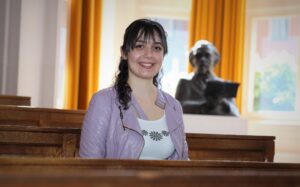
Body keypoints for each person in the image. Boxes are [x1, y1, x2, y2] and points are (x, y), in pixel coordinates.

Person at [79, 18, 189, 160]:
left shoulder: (174, 106)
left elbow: (184, 164)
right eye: (139, 46)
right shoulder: (103, 101)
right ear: (124, 53)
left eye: (156, 48)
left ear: (163, 55)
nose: (149, 55)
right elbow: (88, 167)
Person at [175, 40, 240, 116]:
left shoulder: (223, 85)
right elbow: (176, 108)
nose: (202, 59)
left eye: (207, 55)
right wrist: (204, 106)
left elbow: (236, 114)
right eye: (198, 55)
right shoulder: (185, 82)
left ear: (215, 59)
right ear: (192, 60)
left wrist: (223, 103)